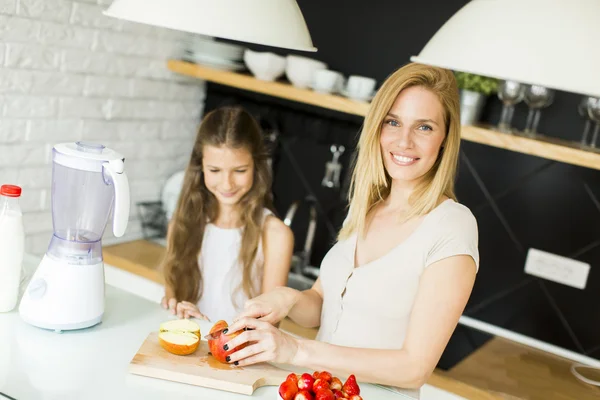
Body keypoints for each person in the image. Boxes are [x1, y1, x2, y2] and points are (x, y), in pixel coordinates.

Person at [222, 63, 479, 399]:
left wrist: (295, 350)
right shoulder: (367, 208)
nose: (404, 140)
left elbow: (414, 367)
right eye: (393, 121)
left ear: (445, 139)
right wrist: (288, 298)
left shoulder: (452, 225)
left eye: (424, 127)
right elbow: (321, 305)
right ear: (378, 127)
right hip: (315, 391)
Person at [160, 106, 294, 324]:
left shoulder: (276, 235)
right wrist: (182, 312)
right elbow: (171, 302)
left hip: (239, 355)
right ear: (200, 167)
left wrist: (214, 334)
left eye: (240, 171)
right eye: (214, 171)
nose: (226, 183)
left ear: (257, 167)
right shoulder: (181, 224)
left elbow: (269, 325)